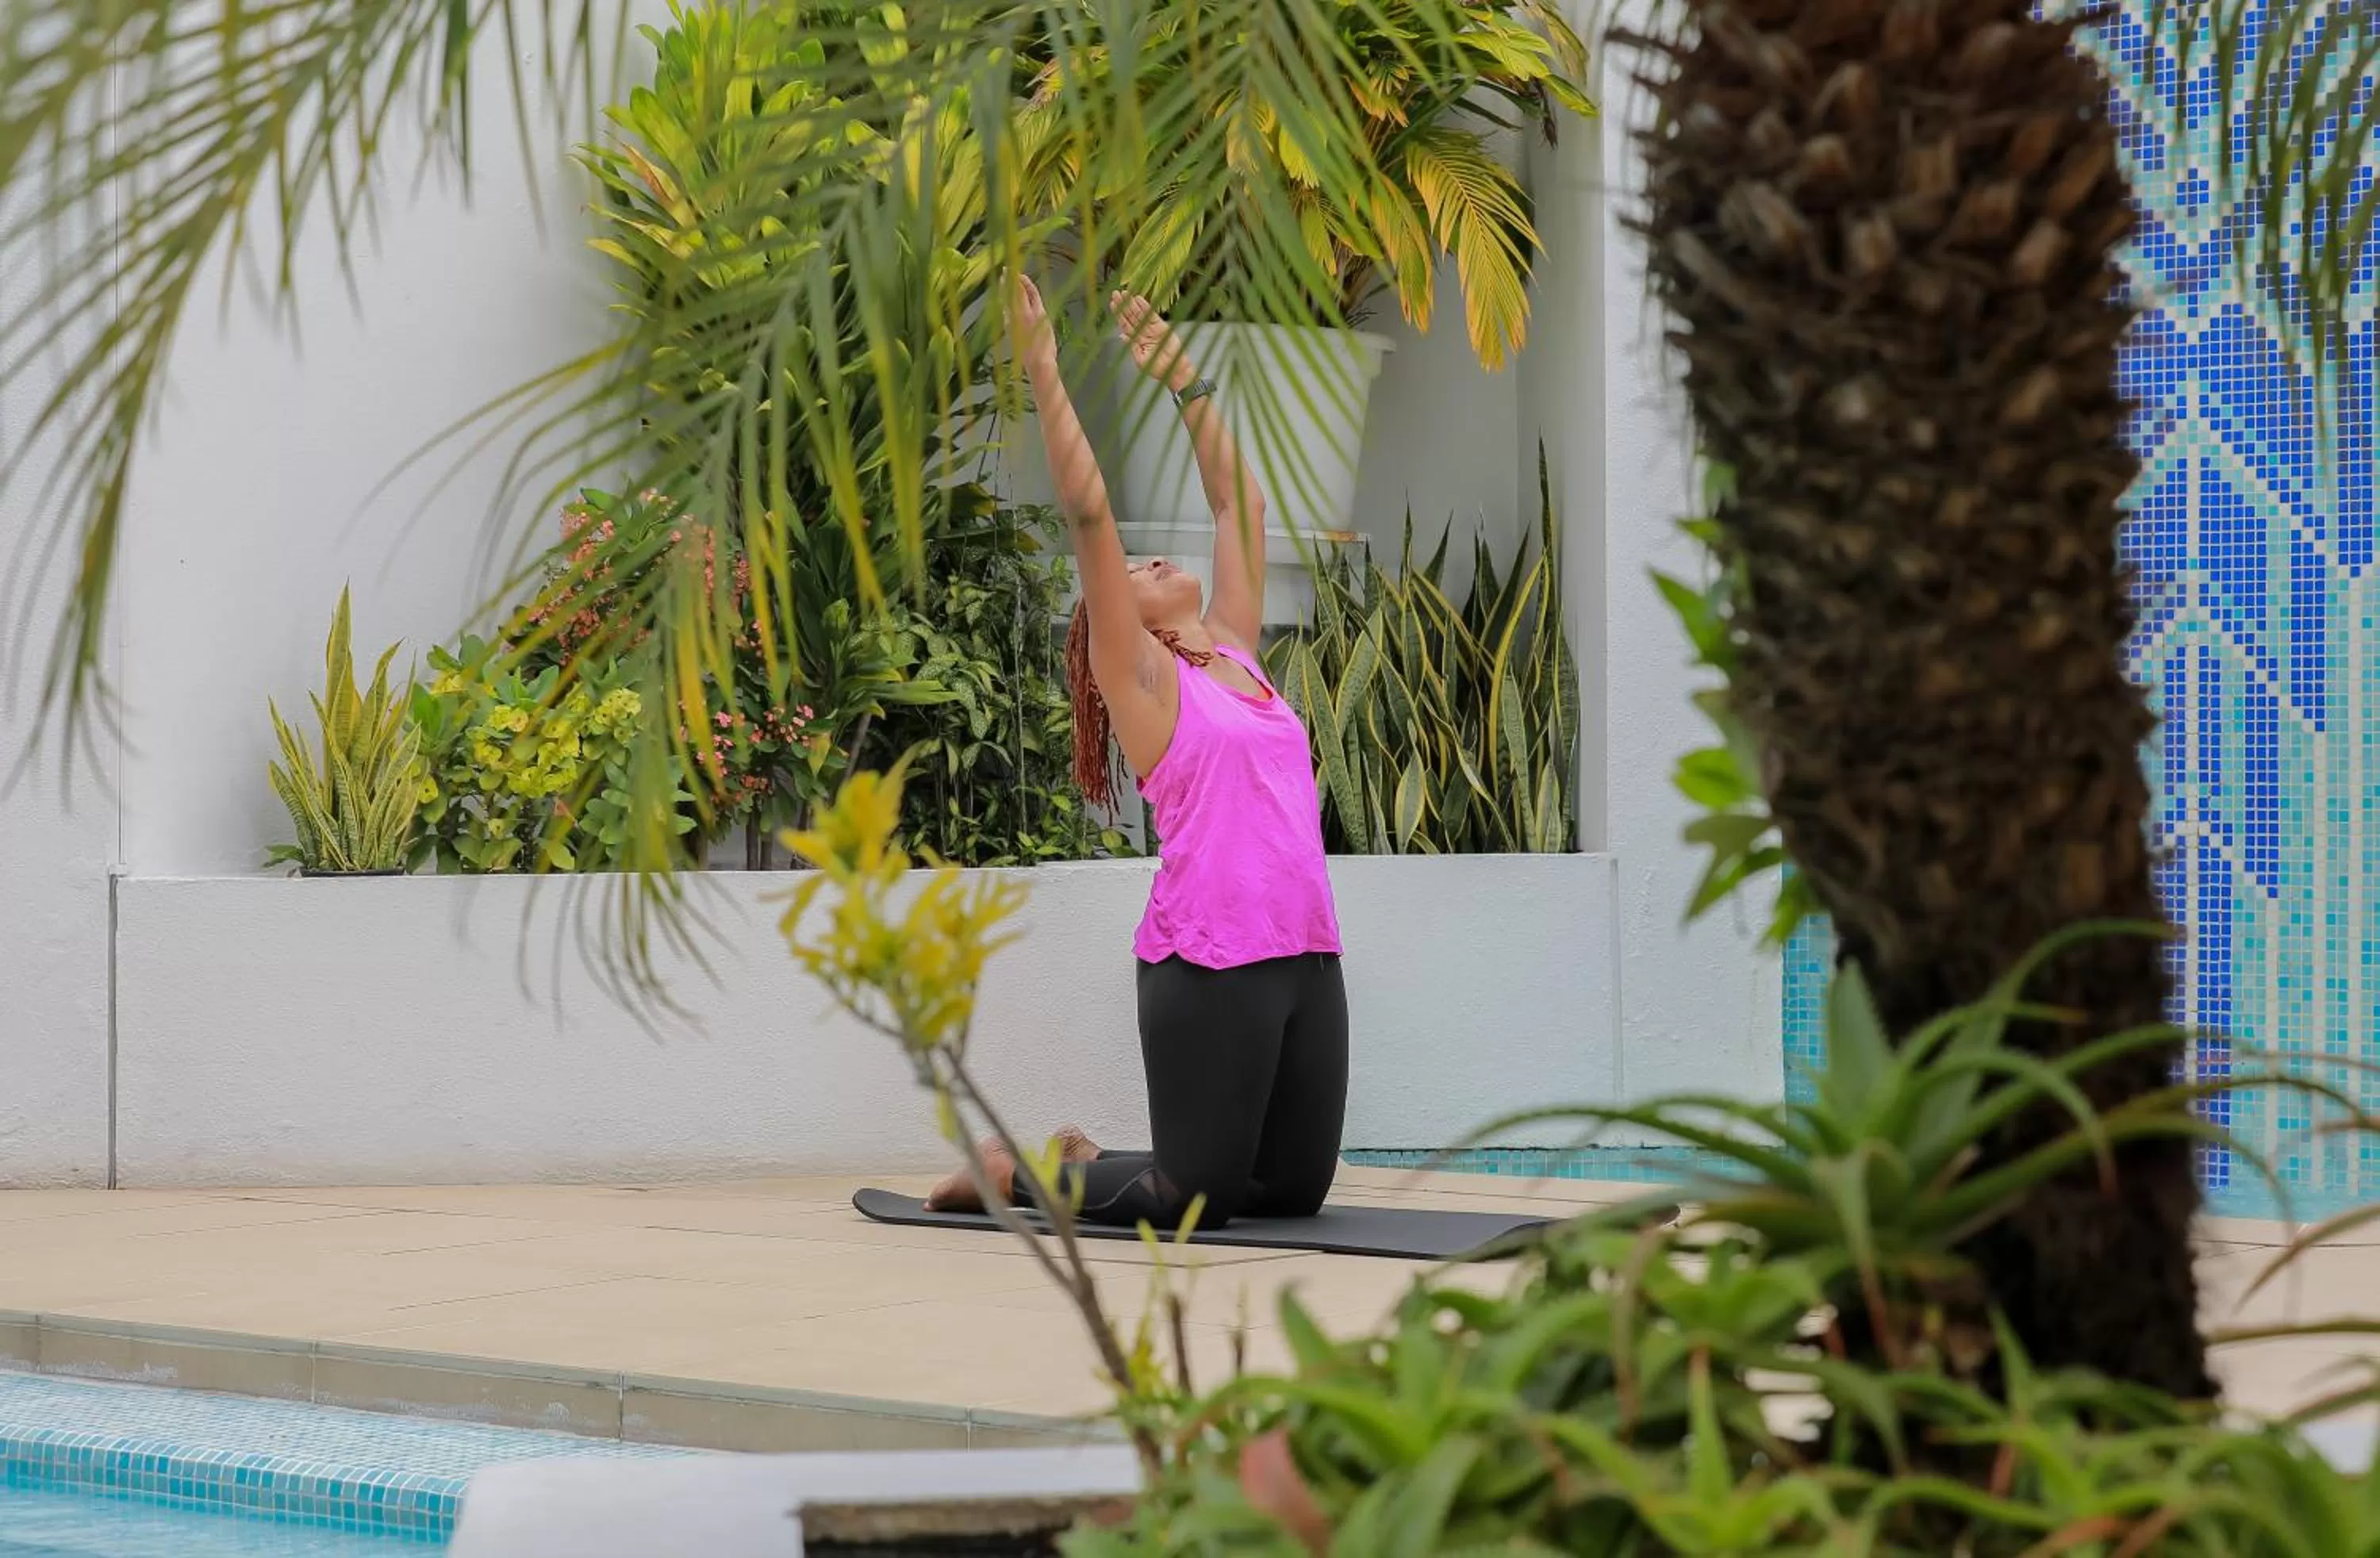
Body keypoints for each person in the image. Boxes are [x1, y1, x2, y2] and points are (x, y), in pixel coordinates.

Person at [923, 277, 1347, 1230]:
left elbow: (1240, 503)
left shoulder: (1234, 651)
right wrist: (1043, 368)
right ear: (1126, 624)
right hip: (1210, 961)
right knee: (1192, 1198)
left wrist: (1185, 379)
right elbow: (1090, 517)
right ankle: (1010, 1170)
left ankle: (1082, 1157)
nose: (1149, 561)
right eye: (1133, 572)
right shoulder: (1148, 683)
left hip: (1306, 950)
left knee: (1294, 1193)